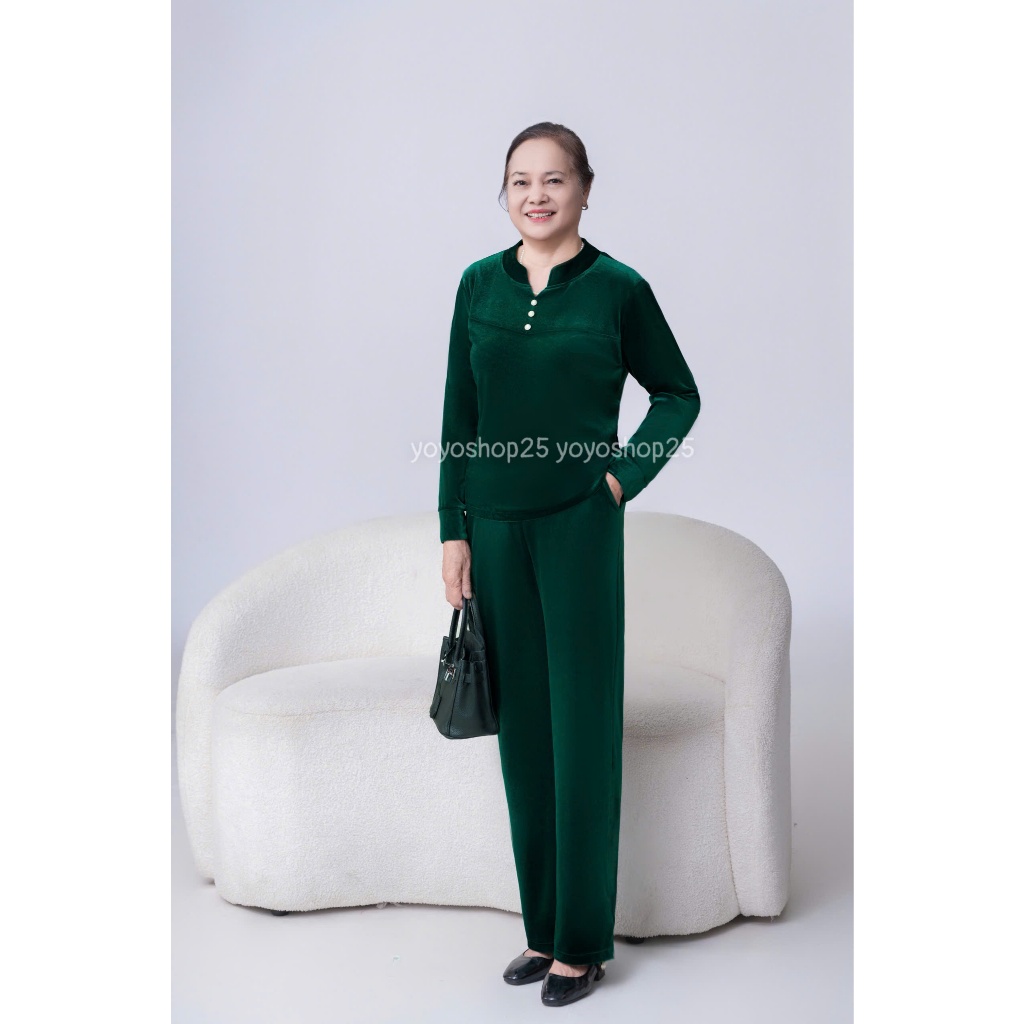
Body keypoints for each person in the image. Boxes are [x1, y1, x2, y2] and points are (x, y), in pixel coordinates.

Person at [438, 121, 701, 1007]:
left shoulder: (618, 290)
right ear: (504, 193)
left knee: (582, 730)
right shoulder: (478, 285)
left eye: (554, 179)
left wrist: (619, 480)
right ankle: (544, 931)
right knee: (524, 736)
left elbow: (678, 394)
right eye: (521, 180)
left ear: (586, 188)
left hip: (579, 530)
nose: (537, 195)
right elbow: (459, 414)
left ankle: (583, 944)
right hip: (494, 529)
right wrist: (453, 528)